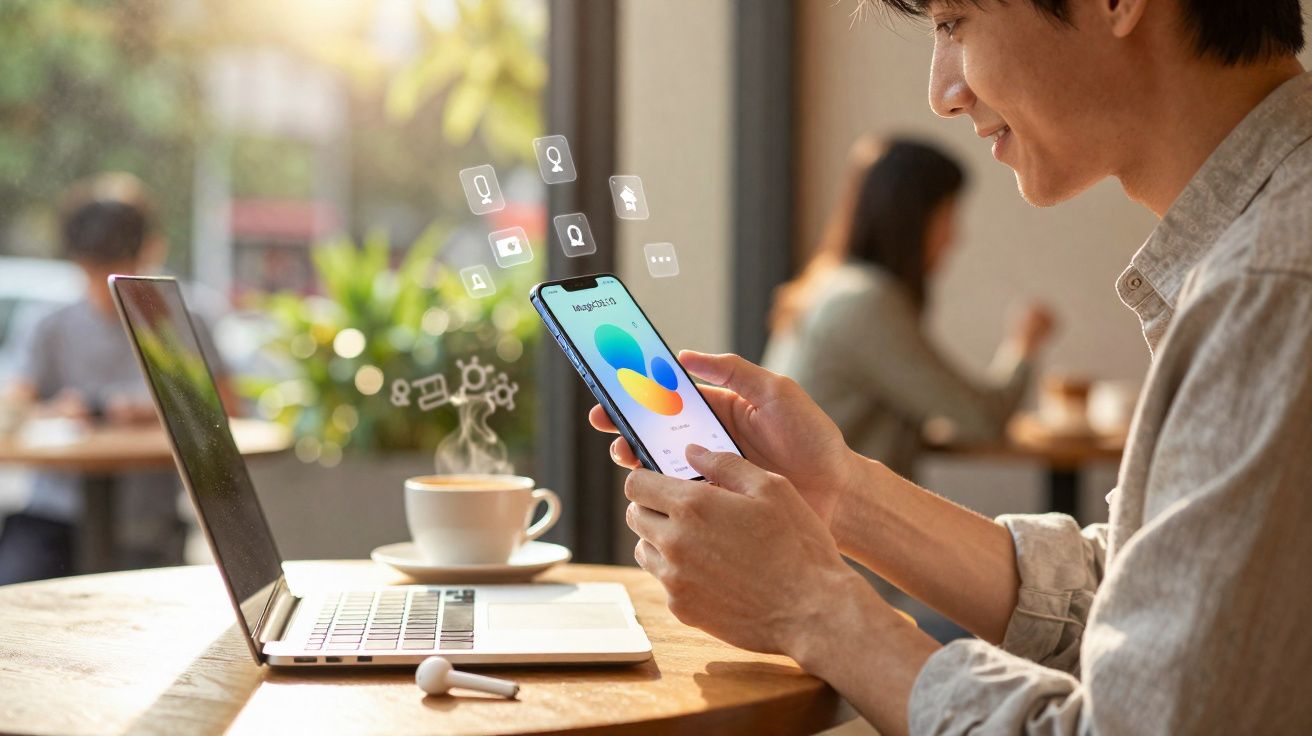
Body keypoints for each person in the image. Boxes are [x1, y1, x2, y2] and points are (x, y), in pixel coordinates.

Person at [592, 1, 1312, 734]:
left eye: (952, 21)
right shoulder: (1260, 262)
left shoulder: (1274, 285)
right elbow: (1144, 595)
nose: (941, 91)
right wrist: (841, 495)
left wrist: (813, 610)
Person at [763, 136, 1054, 478]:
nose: (954, 237)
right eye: (947, 216)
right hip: (834, 522)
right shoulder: (866, 303)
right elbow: (982, 420)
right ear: (913, 219)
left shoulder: (831, 285)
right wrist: (1025, 345)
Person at [0, 173, 232, 584]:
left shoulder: (179, 322)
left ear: (150, 250)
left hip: (146, 523)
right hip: (54, 517)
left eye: (116, 264)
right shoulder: (50, 325)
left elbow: (227, 409)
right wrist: (52, 411)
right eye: (95, 268)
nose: (104, 284)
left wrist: (154, 409)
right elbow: (13, 409)